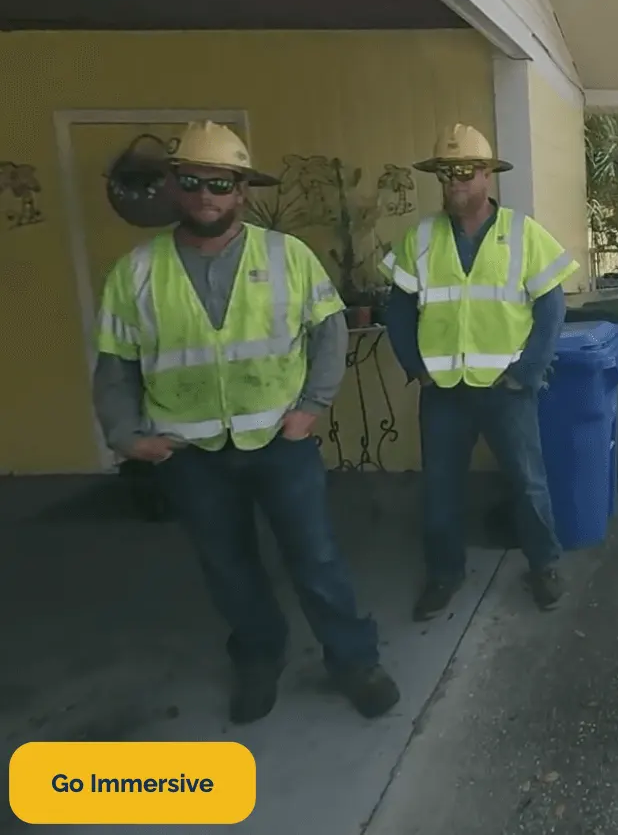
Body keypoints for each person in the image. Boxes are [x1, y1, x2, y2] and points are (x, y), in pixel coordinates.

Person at [92, 120, 400, 724]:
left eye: (220, 183)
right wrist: (126, 435)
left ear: (240, 191)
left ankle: (354, 661)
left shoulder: (287, 256)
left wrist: (311, 407)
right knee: (228, 568)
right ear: (173, 188)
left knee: (316, 559)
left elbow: (329, 332)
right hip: (189, 453)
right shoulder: (136, 273)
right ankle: (259, 657)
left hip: (280, 442)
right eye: (192, 182)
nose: (206, 195)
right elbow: (115, 362)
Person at [385, 123, 578, 621]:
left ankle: (544, 565)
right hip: (444, 392)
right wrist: (417, 369)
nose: (455, 183)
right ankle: (444, 573)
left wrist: (526, 373)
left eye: (465, 172)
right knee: (441, 488)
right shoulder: (421, 238)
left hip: (507, 390)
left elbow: (551, 308)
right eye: (446, 173)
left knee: (528, 483)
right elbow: (399, 310)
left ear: (487, 175)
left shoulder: (523, 233)